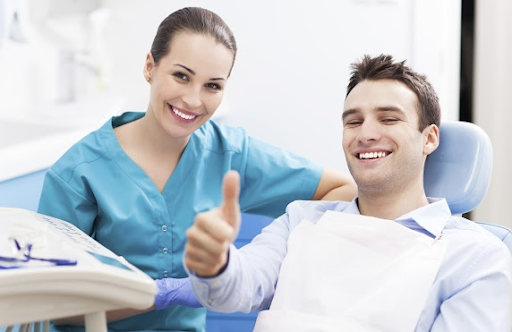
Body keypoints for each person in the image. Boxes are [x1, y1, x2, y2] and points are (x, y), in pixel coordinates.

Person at [36, 6, 357, 332]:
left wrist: (259, 260)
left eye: (212, 86)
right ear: (150, 67)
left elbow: (343, 192)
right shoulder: (79, 173)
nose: (192, 99)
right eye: (181, 76)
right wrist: (160, 294)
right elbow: (54, 304)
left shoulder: (230, 154)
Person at [184, 54, 512, 331]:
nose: (366, 134)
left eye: (388, 118)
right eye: (353, 122)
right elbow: (236, 289)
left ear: (429, 138)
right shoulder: (300, 220)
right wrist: (216, 263)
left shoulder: (475, 258)